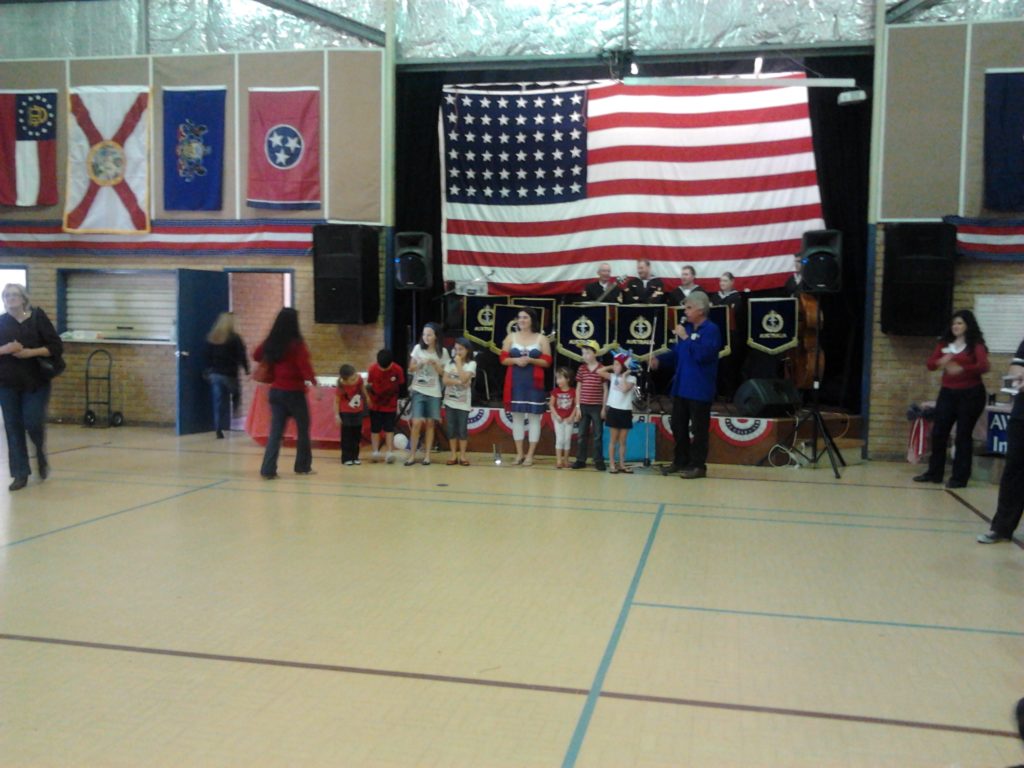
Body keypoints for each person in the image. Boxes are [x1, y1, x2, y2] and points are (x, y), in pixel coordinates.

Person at [913, 310, 989, 489]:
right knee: (939, 432)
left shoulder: (976, 345)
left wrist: (962, 368)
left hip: (971, 394)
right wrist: (942, 361)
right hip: (948, 393)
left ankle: (959, 477)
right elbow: (931, 364)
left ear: (968, 325)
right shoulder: (944, 343)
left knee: (963, 435)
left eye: (960, 323)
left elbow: (983, 366)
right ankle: (934, 472)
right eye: (954, 323)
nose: (956, 326)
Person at [650, 291, 721, 479]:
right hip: (681, 386)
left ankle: (698, 465)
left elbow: (702, 355)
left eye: (689, 308)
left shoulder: (711, 330)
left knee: (698, 429)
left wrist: (686, 338)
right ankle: (680, 460)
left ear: (700, 309)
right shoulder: (687, 329)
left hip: (699, 388)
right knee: (678, 425)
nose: (685, 311)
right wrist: (659, 360)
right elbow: (677, 353)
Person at [0, 283, 62, 491]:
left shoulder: (37, 317)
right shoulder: (1, 322)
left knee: (32, 421)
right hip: (7, 383)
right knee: (13, 427)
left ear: (23, 298)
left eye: (14, 295)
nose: (11, 298)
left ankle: (40, 452)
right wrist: (5, 349)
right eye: (7, 295)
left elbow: (55, 347)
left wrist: (29, 352)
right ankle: (20, 474)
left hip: (36, 381)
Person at [253, 307, 316, 479]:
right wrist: (313, 381)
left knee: (275, 433)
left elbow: (256, 355)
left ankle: (268, 469)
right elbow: (304, 366)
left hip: (276, 392)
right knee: (303, 430)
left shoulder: (272, 341)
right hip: (295, 393)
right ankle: (302, 466)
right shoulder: (297, 344)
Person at [977, 337, 1024, 544]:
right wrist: (1019, 376)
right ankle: (1002, 528)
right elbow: (1015, 370)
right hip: (1022, 417)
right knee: (1014, 472)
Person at [500, 307, 552, 466]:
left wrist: (531, 360)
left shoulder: (541, 338)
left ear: (532, 320)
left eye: (525, 317)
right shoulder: (511, 337)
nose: (522, 320)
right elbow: (503, 359)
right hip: (516, 382)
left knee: (535, 419)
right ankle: (519, 454)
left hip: (534, 384)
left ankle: (530, 455)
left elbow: (547, 361)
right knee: (517, 418)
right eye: (520, 317)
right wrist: (515, 361)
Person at [406, 322, 449, 466]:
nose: (426, 337)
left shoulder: (442, 352)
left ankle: (427, 455)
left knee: (431, 423)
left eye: (429, 334)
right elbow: (411, 368)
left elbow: (445, 373)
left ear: (436, 336)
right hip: (419, 389)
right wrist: (420, 364)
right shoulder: (418, 349)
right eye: (424, 334)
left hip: (434, 392)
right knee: (417, 422)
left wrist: (435, 365)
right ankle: (412, 455)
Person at [205, 312, 249, 439]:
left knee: (218, 402)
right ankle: (234, 416)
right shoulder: (235, 338)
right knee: (236, 395)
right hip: (230, 374)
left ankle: (218, 427)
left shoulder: (213, 337)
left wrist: (209, 370)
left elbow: (207, 355)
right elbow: (242, 355)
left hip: (215, 374)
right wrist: (246, 369)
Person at [572, 340, 608, 471]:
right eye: (583, 353)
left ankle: (598, 460)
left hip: (597, 407)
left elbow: (605, 389)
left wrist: (604, 408)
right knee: (582, 434)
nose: (584, 355)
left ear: (595, 354)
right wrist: (577, 407)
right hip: (583, 407)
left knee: (598, 434)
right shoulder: (582, 369)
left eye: (587, 353)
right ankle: (580, 459)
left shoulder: (601, 369)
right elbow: (578, 389)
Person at [366, 348, 404, 463]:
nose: (383, 369)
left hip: (390, 404)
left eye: (386, 368)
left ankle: (389, 452)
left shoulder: (397, 369)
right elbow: (369, 385)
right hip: (375, 404)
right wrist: (369, 399)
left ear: (391, 363)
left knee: (389, 429)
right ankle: (375, 452)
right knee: (375, 429)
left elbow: (401, 384)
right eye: (381, 367)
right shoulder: (372, 369)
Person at [443, 337, 476, 466]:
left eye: (461, 349)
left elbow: (465, 377)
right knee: (451, 429)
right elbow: (445, 380)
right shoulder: (449, 363)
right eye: (456, 349)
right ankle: (453, 455)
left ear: (467, 350)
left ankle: (462, 456)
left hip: (463, 403)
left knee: (462, 430)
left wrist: (458, 365)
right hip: (449, 401)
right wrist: (458, 382)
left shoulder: (471, 364)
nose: (458, 352)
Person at [713, 272, 745, 400]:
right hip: (716, 335)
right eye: (721, 281)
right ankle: (716, 392)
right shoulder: (715, 297)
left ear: (732, 282)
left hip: (731, 337)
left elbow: (736, 315)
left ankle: (729, 393)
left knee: (729, 366)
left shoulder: (737, 297)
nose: (722, 284)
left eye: (725, 281)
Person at [605, 352, 637, 474]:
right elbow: (600, 371)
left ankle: (622, 464)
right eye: (614, 364)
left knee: (622, 440)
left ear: (624, 366)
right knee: (613, 440)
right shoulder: (612, 376)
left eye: (617, 364)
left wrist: (624, 375)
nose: (615, 366)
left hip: (625, 411)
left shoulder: (632, 378)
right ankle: (612, 464)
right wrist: (611, 366)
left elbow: (624, 389)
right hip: (613, 410)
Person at [336, 363, 370, 465]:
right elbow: (336, 401)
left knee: (356, 435)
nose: (355, 380)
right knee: (347, 436)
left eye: (355, 377)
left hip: (358, 411)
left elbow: (362, 387)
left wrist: (367, 397)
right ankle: (346, 458)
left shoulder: (358, 379)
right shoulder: (341, 387)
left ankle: (355, 456)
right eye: (352, 379)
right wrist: (337, 415)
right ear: (345, 380)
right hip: (346, 412)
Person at [549, 366, 577, 469]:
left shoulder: (573, 391)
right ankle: (559, 460)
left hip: (569, 419)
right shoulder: (555, 391)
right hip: (559, 420)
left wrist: (571, 416)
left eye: (561, 378)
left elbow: (575, 405)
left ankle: (566, 460)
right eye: (557, 378)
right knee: (560, 439)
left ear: (568, 379)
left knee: (567, 439)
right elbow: (551, 405)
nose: (558, 381)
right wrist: (556, 416)